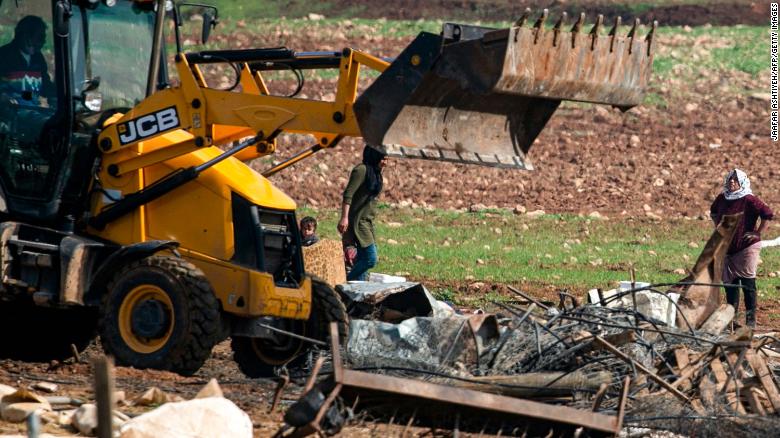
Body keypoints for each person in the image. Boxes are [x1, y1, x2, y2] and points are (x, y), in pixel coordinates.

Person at [710, 169, 774, 328]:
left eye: (735, 180)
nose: (732, 182)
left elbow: (767, 214)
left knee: (747, 284)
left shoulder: (749, 199)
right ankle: (732, 322)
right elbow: (713, 212)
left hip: (746, 247)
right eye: (730, 180)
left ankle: (751, 323)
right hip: (728, 249)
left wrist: (757, 233)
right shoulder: (722, 198)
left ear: (742, 182)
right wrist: (719, 228)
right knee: (730, 285)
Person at [338, 145, 388, 281]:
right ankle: (345, 282)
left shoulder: (376, 174)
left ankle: (355, 294)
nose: (385, 163)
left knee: (361, 259)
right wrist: (344, 218)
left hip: (368, 222)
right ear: (375, 157)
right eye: (383, 159)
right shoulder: (361, 170)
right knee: (370, 259)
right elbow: (348, 194)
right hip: (358, 223)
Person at [0, 15, 56, 106]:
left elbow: (46, 87)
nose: (43, 41)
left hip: (34, 112)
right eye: (40, 37)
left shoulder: (38, 58)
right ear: (25, 36)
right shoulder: (3, 56)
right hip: (11, 116)